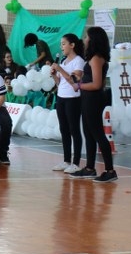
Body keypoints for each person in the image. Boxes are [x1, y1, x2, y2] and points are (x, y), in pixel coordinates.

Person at [70, 27, 116, 182]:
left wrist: (79, 85)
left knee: (97, 134)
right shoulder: (96, 57)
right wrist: (81, 79)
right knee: (88, 133)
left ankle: (110, 170)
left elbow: (97, 84)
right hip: (89, 98)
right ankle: (90, 168)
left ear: (93, 39)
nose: (85, 39)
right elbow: (98, 81)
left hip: (93, 99)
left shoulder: (96, 58)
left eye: (87, 37)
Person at [50, 33, 85, 174]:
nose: (61, 47)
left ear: (72, 45)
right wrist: (54, 75)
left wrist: (60, 70)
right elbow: (60, 83)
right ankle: (66, 160)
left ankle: (76, 162)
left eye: (64, 44)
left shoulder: (78, 61)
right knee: (64, 129)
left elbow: (74, 80)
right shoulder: (64, 61)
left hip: (73, 98)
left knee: (74, 129)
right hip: (61, 97)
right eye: (61, 44)